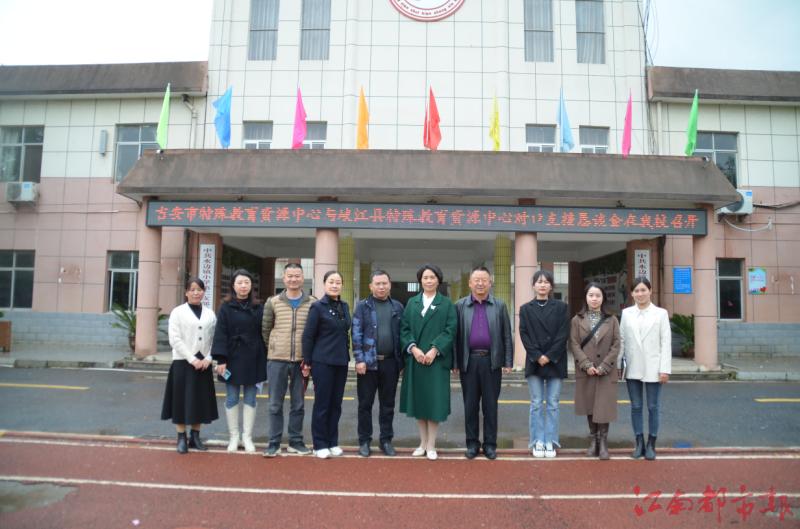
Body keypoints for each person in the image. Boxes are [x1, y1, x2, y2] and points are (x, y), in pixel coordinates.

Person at [399, 263, 457, 461]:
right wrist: (414, 349)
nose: (429, 281)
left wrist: (434, 349)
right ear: (420, 281)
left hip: (436, 362)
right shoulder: (412, 303)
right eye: (425, 277)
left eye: (432, 277)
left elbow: (450, 330)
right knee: (419, 402)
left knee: (434, 403)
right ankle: (422, 443)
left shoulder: (446, 304)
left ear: (438, 280)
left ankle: (432, 444)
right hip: (416, 360)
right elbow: (404, 329)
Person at [454, 266, 513, 460]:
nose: (480, 283)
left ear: (490, 283)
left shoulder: (499, 306)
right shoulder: (460, 306)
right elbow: (455, 337)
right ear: (470, 283)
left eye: (484, 280)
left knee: (490, 406)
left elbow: (506, 335)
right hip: (469, 362)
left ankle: (490, 445)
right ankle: (472, 444)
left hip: (491, 362)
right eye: (476, 280)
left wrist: (508, 361)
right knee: (470, 406)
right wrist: (455, 362)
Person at [261, 263, 316, 457]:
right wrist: (275, 346)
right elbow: (266, 329)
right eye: (290, 276)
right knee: (274, 404)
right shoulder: (273, 302)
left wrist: (308, 357)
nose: (293, 279)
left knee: (298, 404)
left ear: (303, 278)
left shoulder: (312, 303)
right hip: (277, 359)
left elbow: (315, 331)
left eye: (297, 276)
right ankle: (274, 443)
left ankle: (296, 441)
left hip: (301, 361)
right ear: (284, 278)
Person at [161, 277, 218, 454]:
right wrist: (192, 359)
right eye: (192, 289)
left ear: (204, 292)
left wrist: (208, 358)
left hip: (204, 363)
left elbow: (215, 338)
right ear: (186, 292)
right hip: (183, 362)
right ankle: (181, 437)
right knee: (181, 401)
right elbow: (174, 339)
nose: (196, 293)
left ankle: (195, 436)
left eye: (199, 289)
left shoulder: (210, 314)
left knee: (200, 400)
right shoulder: (177, 312)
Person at [212, 269, 267, 453]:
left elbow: (265, 332)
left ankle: (247, 437)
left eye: (247, 283)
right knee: (232, 397)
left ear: (251, 286)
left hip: (254, 357)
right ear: (233, 286)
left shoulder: (259, 307)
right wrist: (221, 359)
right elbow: (220, 333)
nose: (243, 286)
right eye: (240, 283)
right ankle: (234, 436)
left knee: (251, 398)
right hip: (232, 358)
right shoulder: (225, 307)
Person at [352, 270, 405, 457]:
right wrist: (359, 359)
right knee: (365, 405)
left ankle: (386, 440)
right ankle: (364, 441)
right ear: (371, 286)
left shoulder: (397, 307)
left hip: (390, 363)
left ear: (390, 285)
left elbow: (402, 334)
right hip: (368, 364)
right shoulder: (362, 307)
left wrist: (402, 362)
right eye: (378, 284)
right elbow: (356, 334)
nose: (381, 287)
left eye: (384, 283)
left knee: (388, 405)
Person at [519, 269, 569, 459]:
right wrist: (537, 355)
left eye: (546, 282)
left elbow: (563, 334)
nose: (542, 285)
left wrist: (549, 356)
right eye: (539, 282)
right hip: (535, 361)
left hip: (555, 360)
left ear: (551, 286)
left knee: (553, 404)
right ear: (533, 285)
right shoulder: (525, 309)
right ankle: (537, 441)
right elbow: (524, 334)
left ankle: (551, 440)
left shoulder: (561, 307)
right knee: (536, 403)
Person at [302, 270, 351, 459]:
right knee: (322, 404)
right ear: (324, 284)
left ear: (342, 285)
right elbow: (308, 336)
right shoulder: (317, 307)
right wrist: (307, 361)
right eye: (331, 282)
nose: (335, 285)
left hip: (341, 361)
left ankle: (332, 442)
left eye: (338, 282)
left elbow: (345, 332)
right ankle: (319, 444)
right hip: (322, 361)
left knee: (336, 404)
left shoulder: (344, 306)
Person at [620, 276, 671, 461]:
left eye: (643, 290)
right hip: (633, 366)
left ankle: (651, 443)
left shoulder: (661, 314)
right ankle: (639, 442)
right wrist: (618, 366)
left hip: (654, 367)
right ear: (632, 293)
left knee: (653, 407)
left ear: (650, 291)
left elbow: (665, 342)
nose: (640, 294)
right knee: (636, 406)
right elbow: (622, 340)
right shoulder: (626, 313)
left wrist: (664, 369)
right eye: (636, 291)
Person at [569, 282, 621, 460]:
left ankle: (604, 442)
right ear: (586, 297)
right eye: (591, 295)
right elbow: (574, 344)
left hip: (606, 371)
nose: (594, 299)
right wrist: (586, 364)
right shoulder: (576, 320)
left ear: (603, 298)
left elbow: (616, 344)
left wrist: (605, 365)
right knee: (589, 405)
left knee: (604, 406)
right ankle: (594, 440)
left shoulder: (612, 319)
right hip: (586, 371)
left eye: (598, 295)